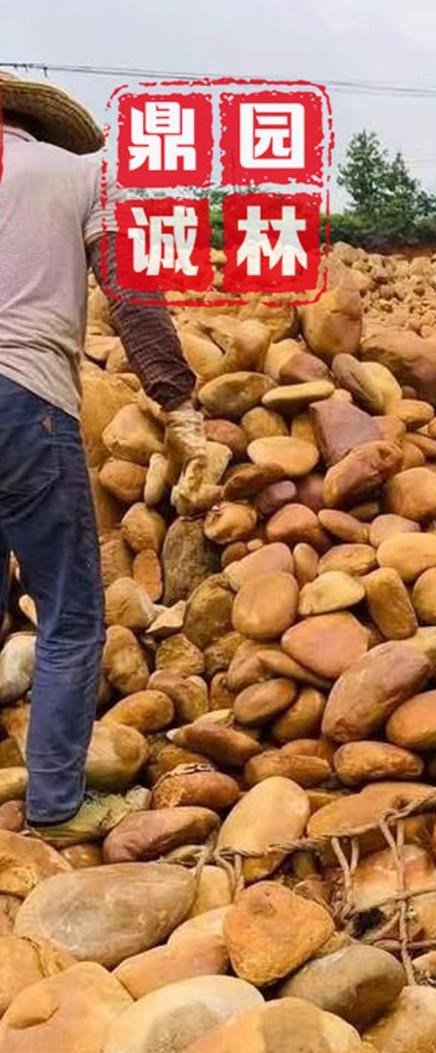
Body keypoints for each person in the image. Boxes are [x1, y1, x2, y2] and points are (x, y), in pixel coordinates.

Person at [0, 71, 213, 844]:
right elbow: (132, 296)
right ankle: (56, 805)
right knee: (71, 616)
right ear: (42, 127)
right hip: (23, 400)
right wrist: (180, 405)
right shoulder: (83, 174)